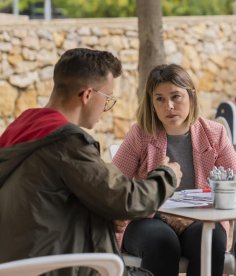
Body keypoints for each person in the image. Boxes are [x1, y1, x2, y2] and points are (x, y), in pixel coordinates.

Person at [0, 48, 182, 276]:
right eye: (107, 98)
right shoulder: (67, 143)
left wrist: (103, 215)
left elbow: (49, 201)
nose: (106, 109)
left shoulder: (23, 128)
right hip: (56, 266)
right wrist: (167, 174)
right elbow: (127, 199)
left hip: (19, 263)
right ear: (87, 95)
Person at [112, 64, 236, 276]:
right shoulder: (140, 134)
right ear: (152, 103)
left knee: (213, 241)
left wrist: (198, 215)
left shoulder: (215, 133)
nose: (168, 106)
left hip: (201, 220)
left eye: (176, 96)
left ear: (192, 96)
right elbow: (115, 185)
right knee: (163, 242)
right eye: (159, 98)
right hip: (149, 220)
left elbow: (235, 185)